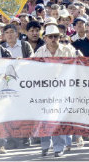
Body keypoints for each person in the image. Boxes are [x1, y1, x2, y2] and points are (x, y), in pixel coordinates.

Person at [34, 24, 75, 157]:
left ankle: (58, 147)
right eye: (50, 36)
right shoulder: (40, 51)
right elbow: (32, 68)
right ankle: (45, 145)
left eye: (56, 36)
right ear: (45, 38)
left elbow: (76, 67)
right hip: (44, 88)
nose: (53, 39)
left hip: (63, 88)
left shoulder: (68, 50)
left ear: (59, 37)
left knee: (59, 118)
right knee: (44, 117)